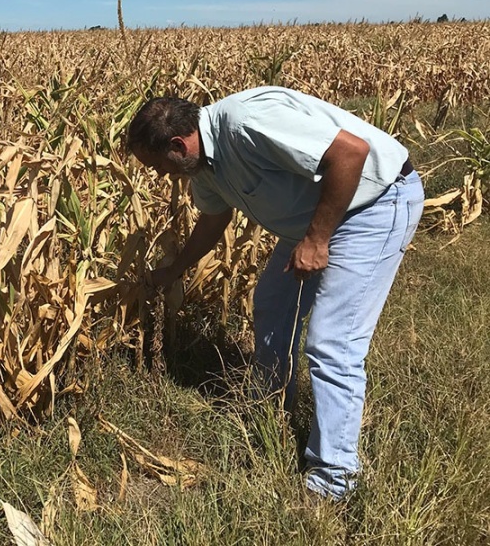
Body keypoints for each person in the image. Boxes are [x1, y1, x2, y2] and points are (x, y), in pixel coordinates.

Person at [125, 86, 424, 500]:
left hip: (371, 205)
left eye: (157, 164)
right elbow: (214, 221)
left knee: (332, 342)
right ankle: (267, 411)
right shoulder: (203, 166)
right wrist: (174, 270)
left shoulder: (247, 124)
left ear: (179, 144)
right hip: (314, 217)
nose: (161, 175)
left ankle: (332, 478)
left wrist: (317, 240)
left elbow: (350, 153)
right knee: (270, 306)